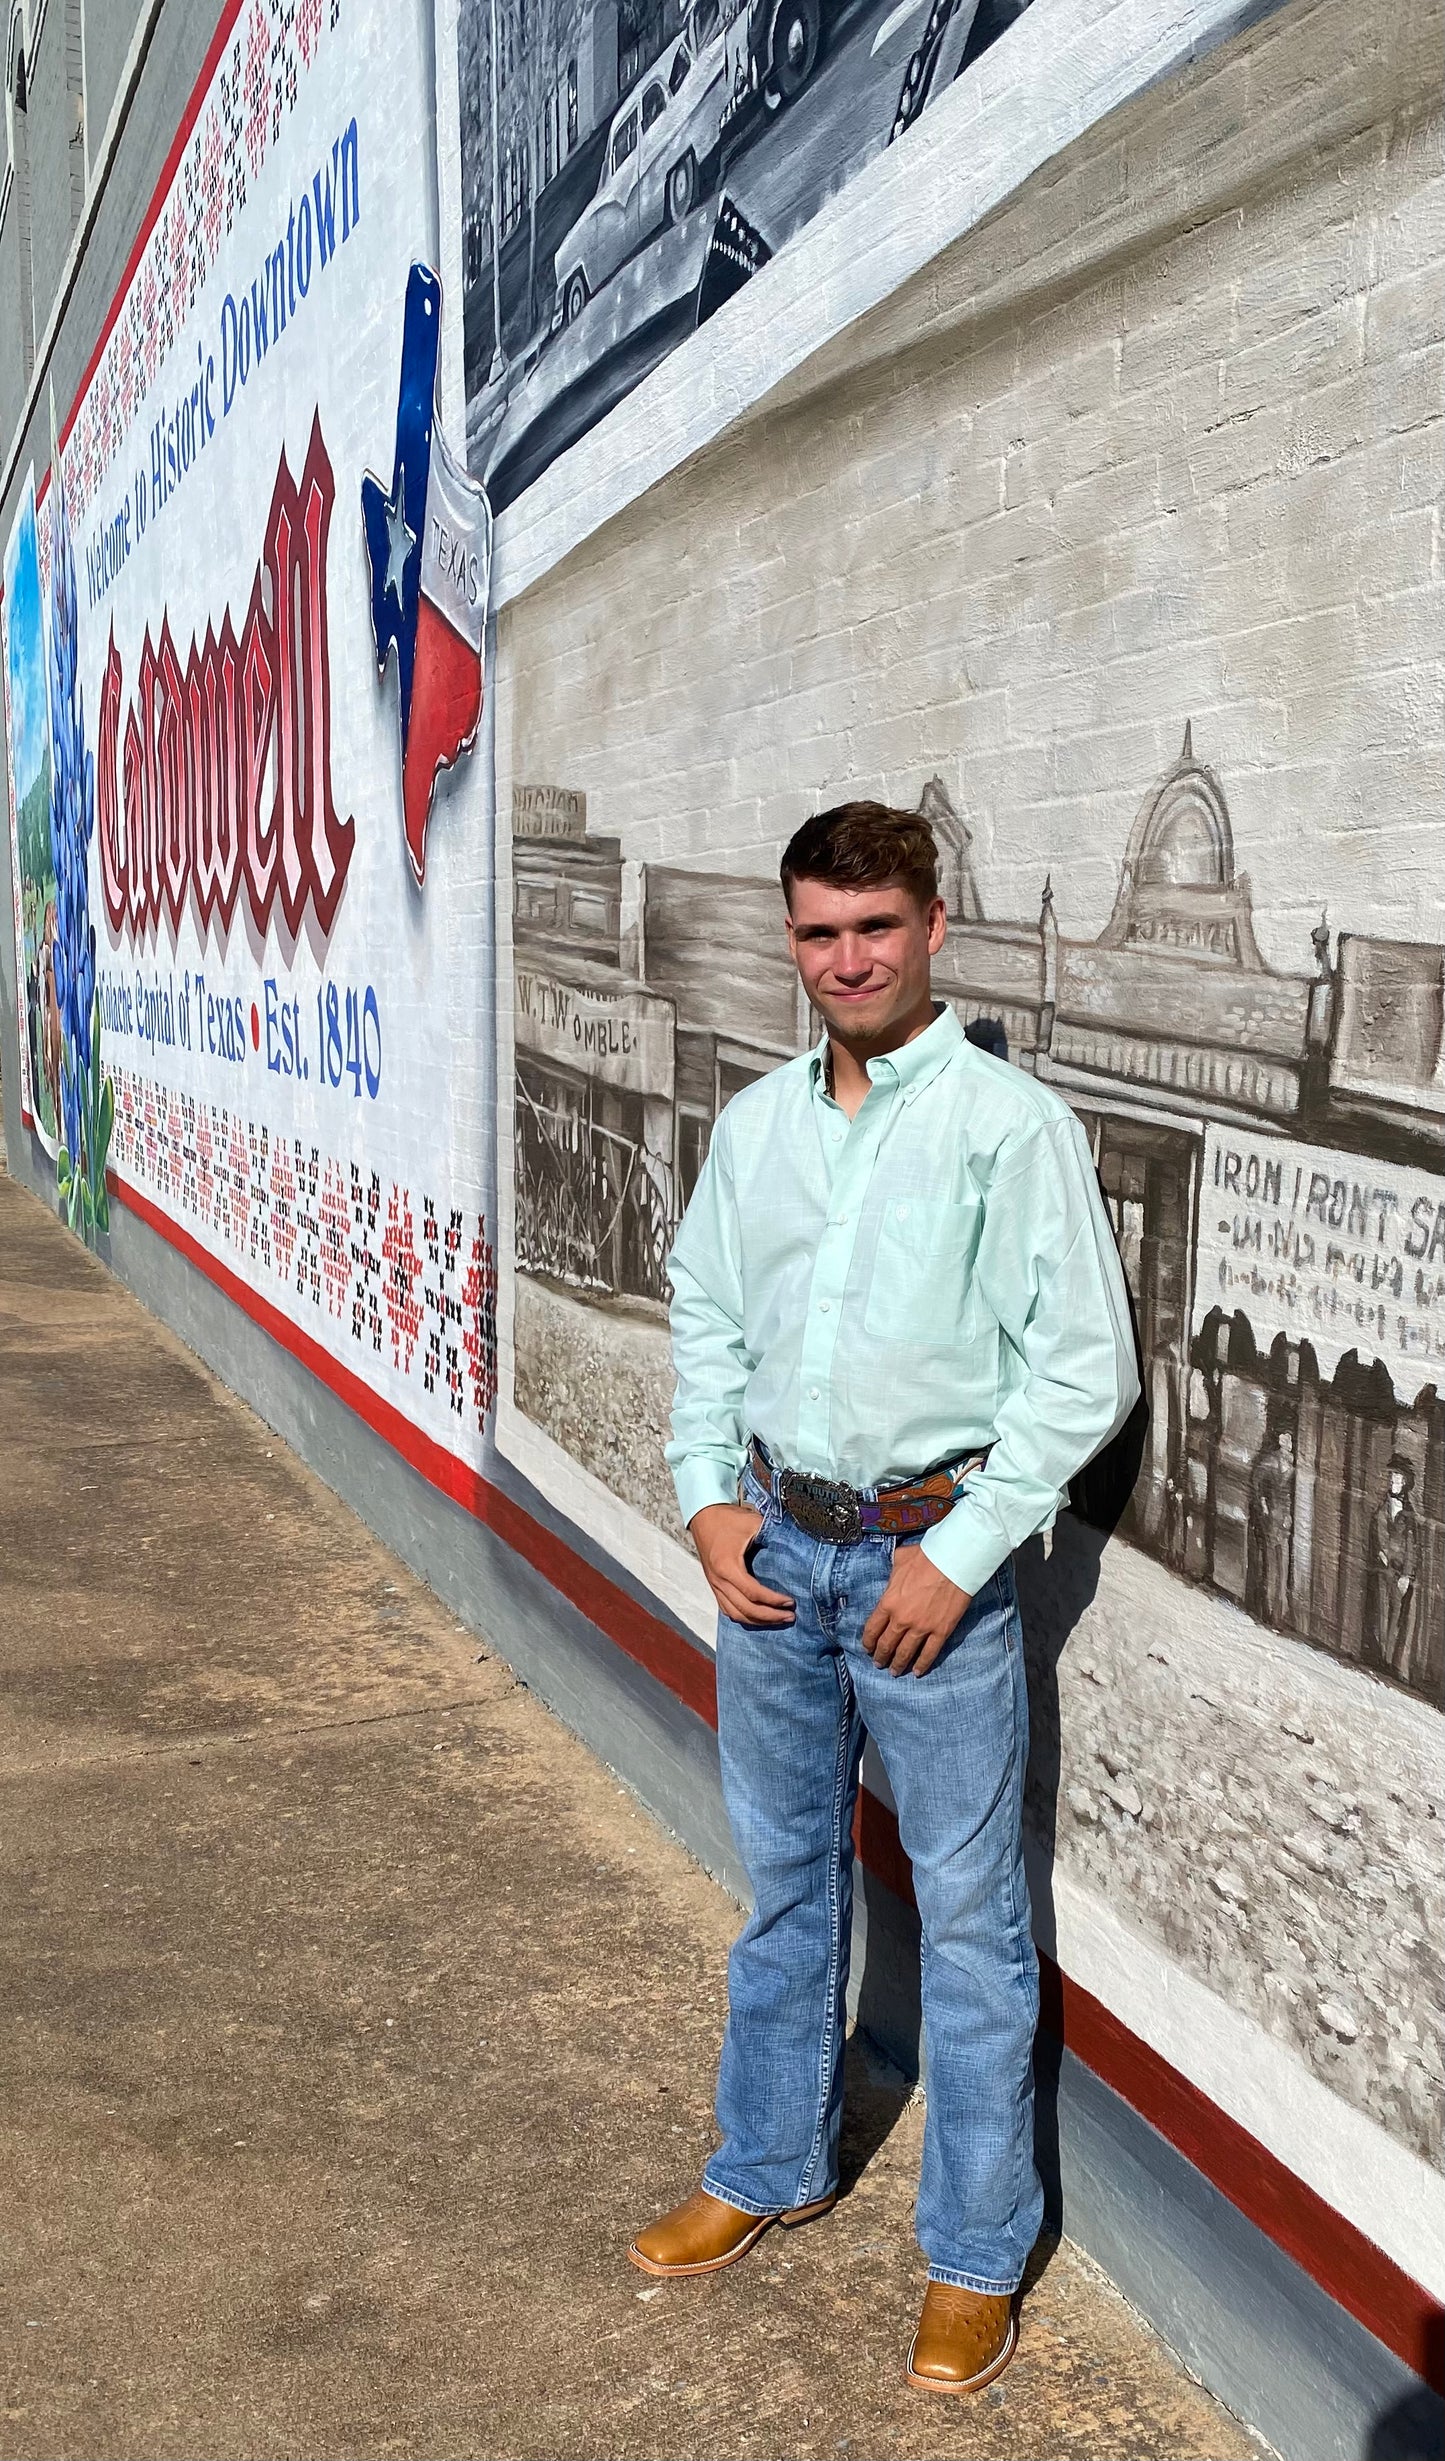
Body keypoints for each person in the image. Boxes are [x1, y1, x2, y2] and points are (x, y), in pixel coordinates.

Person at [629, 803, 1139, 2393]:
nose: (844, 960)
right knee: (786, 1886)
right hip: (774, 1556)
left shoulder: (1009, 1128)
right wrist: (707, 1493)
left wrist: (961, 1551)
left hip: (932, 1572)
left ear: (933, 932)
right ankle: (763, 2164)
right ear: (794, 942)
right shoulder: (761, 1127)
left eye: (874, 928)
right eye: (817, 933)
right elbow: (707, 1309)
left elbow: (1083, 1376)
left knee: (975, 1927)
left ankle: (974, 2256)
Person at [1366, 1454, 1421, 1686]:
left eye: (1397, 1477)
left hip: (1399, 1573)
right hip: (1383, 1569)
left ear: (1405, 1482)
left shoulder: (1409, 1515)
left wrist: (1407, 1575)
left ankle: (1391, 1663)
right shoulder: (1382, 1507)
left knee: (1396, 1618)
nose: (1393, 1481)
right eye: (1392, 1476)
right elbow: (1375, 1533)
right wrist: (1379, 1554)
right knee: (1381, 1611)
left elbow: (1412, 1547)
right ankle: (1379, 1659)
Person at [1250, 1427, 1295, 1629]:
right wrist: (1263, 1504)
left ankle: (1280, 1613)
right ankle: (1268, 1611)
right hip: (1270, 1521)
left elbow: (1290, 1495)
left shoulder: (1292, 1465)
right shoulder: (1270, 1461)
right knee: (1270, 1566)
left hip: (1284, 1523)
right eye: (1287, 1440)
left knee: (1282, 1567)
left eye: (1291, 1441)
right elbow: (1256, 1479)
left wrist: (1289, 1515)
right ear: (1281, 1441)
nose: (1290, 1445)